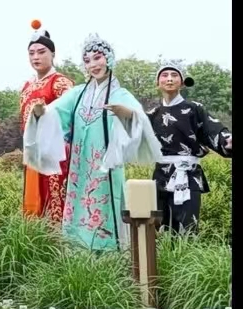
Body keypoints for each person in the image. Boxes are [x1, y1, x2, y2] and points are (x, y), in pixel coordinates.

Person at [23, 34, 162, 252]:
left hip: (105, 169)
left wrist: (125, 114)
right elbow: (55, 113)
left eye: (98, 58)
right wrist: (41, 112)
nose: (93, 64)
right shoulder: (77, 94)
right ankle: (78, 260)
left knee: (105, 208)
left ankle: (109, 257)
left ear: (109, 59)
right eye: (87, 60)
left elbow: (140, 120)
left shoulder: (119, 93)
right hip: (79, 167)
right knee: (78, 208)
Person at [147, 59, 232, 234]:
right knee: (160, 229)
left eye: (174, 75)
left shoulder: (194, 108)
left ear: (182, 82)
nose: (169, 79)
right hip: (161, 175)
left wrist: (227, 140)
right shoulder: (152, 114)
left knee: (188, 228)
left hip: (188, 174)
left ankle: (187, 260)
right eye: (164, 75)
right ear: (158, 82)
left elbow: (212, 129)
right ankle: (164, 262)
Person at [19, 20, 75, 223]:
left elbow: (72, 117)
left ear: (52, 54)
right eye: (32, 53)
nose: (36, 57)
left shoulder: (60, 83)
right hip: (33, 155)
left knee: (55, 204)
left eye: (41, 52)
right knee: (34, 206)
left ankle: (59, 249)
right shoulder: (27, 86)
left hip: (55, 155)